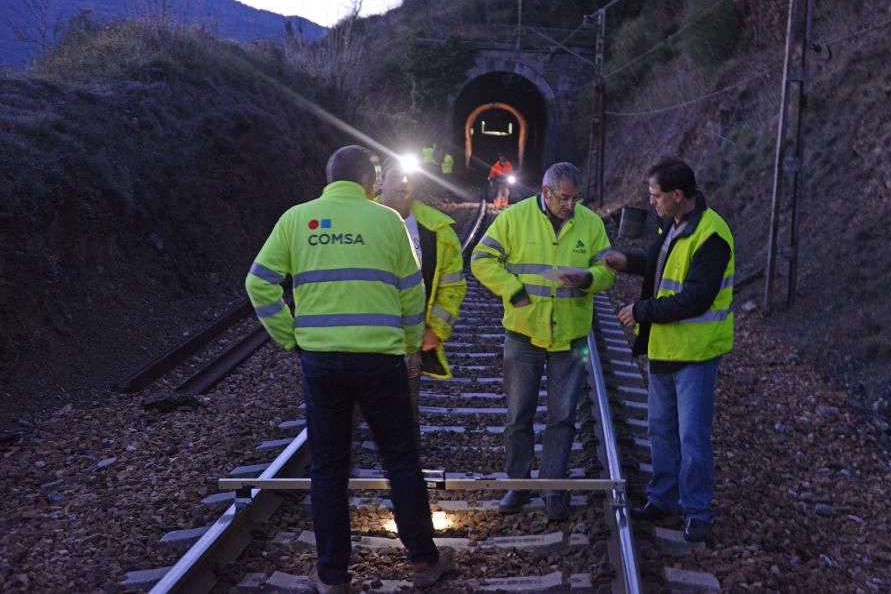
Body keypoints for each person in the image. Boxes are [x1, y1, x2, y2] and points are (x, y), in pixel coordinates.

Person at [245, 145, 455, 592]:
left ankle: (332, 575)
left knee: (328, 468)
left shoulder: (296, 219)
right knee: (400, 459)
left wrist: (290, 335)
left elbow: (258, 282)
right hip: (380, 361)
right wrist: (408, 345)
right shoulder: (388, 222)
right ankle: (422, 560)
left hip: (322, 363)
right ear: (369, 181)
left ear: (329, 179)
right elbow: (411, 293)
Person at [470, 162, 615, 521]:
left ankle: (554, 490)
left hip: (571, 336)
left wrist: (587, 279)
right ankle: (517, 486)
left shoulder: (591, 223)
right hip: (524, 332)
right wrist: (513, 289)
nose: (571, 206)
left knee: (563, 417)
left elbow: (607, 271)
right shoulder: (514, 218)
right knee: (519, 415)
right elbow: (481, 259)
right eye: (564, 198)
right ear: (546, 193)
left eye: (576, 199)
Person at [602, 157, 734, 544]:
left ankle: (697, 511)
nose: (652, 201)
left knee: (692, 436)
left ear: (678, 195)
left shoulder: (712, 235)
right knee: (660, 429)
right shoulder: (673, 223)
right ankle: (663, 498)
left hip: (695, 353)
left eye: (656, 195)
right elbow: (658, 265)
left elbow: (696, 298)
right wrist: (624, 260)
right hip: (664, 348)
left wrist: (641, 310)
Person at [379, 166, 467, 431]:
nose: (402, 182)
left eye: (407, 177)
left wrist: (437, 329)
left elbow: (452, 285)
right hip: (360, 338)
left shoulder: (436, 229)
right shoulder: (356, 220)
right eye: (393, 176)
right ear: (378, 182)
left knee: (404, 419)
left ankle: (405, 467)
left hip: (409, 340)